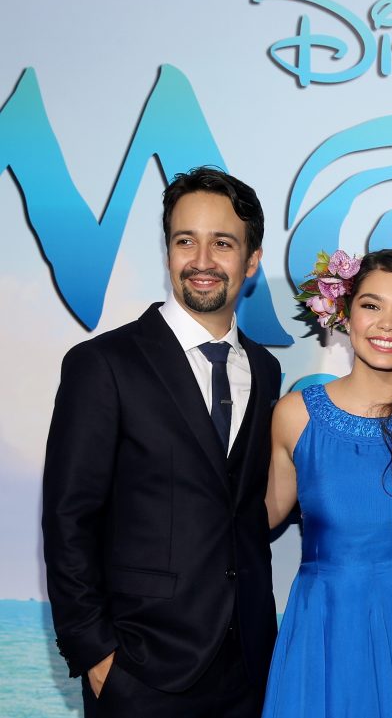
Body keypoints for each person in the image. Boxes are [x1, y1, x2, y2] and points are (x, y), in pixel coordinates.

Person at [42, 167, 281, 717]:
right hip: (140, 667)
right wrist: (96, 655)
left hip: (246, 665)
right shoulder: (103, 365)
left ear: (251, 261)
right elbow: (68, 516)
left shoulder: (266, 371)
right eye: (184, 241)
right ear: (168, 251)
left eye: (222, 243)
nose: (201, 260)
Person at [262, 249, 392, 718]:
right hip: (324, 629)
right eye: (371, 305)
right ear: (345, 315)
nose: (386, 324)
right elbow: (255, 517)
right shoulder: (295, 415)